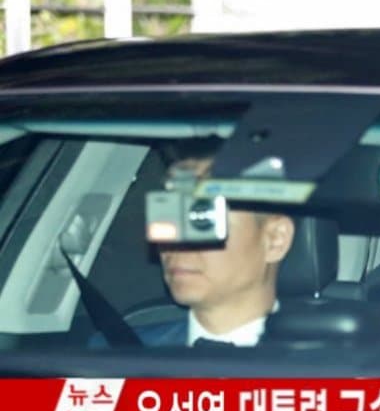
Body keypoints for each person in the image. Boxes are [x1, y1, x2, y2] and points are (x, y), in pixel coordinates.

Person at [95, 138, 295, 347]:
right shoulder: (113, 356)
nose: (177, 244)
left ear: (275, 239)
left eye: (201, 219)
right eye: (170, 216)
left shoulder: (314, 364)